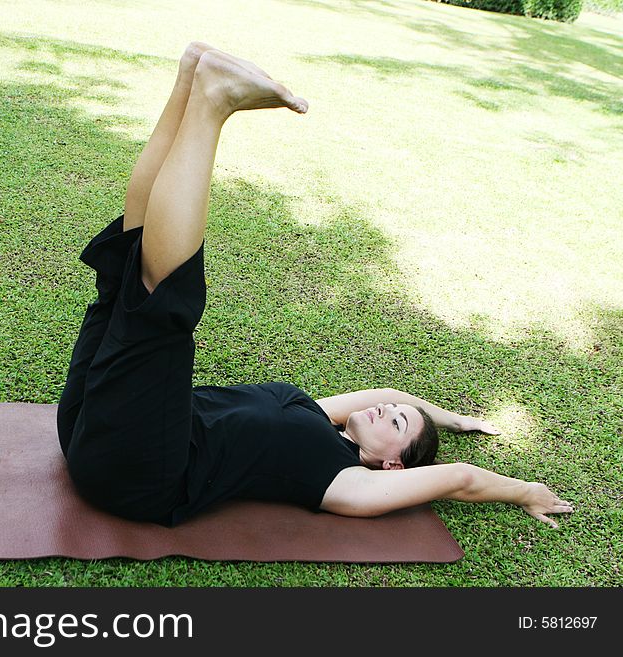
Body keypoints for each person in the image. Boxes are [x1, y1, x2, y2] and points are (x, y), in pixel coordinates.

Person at [56, 42, 574, 529]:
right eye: (393, 413)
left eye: (395, 426)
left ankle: (213, 101)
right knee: (125, 267)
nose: (384, 410)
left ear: (391, 467)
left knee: (158, 307)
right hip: (87, 425)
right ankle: (193, 82)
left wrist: (525, 490)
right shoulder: (319, 416)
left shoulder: (345, 481)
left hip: (132, 474)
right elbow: (394, 393)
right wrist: (458, 420)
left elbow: (459, 479)